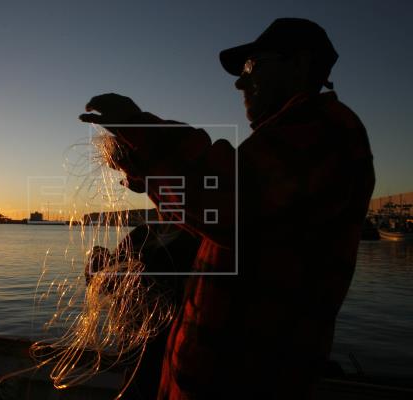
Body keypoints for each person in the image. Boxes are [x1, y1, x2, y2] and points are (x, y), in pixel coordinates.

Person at [79, 18, 375, 399]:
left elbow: (222, 199)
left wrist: (140, 131)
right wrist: (136, 162)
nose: (239, 83)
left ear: (299, 64)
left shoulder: (327, 131)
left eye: (252, 67)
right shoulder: (278, 146)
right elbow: (209, 219)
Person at [86, 220, 200, 400]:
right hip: (133, 358)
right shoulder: (140, 234)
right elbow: (110, 283)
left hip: (175, 360)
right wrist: (97, 272)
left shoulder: (198, 241)